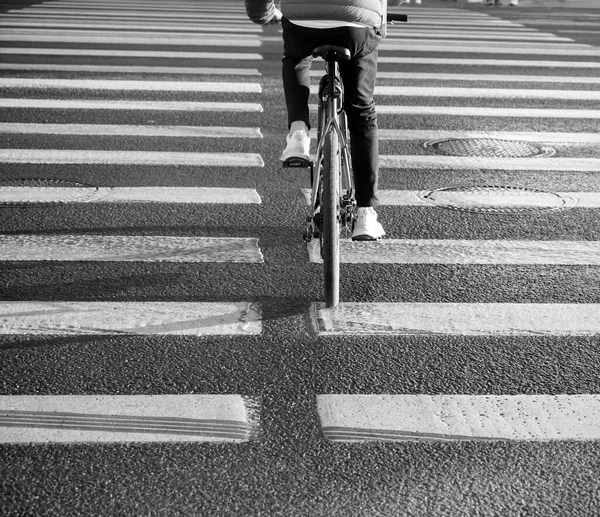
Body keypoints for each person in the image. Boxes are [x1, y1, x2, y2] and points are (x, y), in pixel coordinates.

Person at [245, 0, 401, 240]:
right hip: (355, 26)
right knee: (361, 112)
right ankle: (366, 214)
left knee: (296, 57)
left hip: (303, 23)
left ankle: (298, 134)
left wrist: (265, 14)